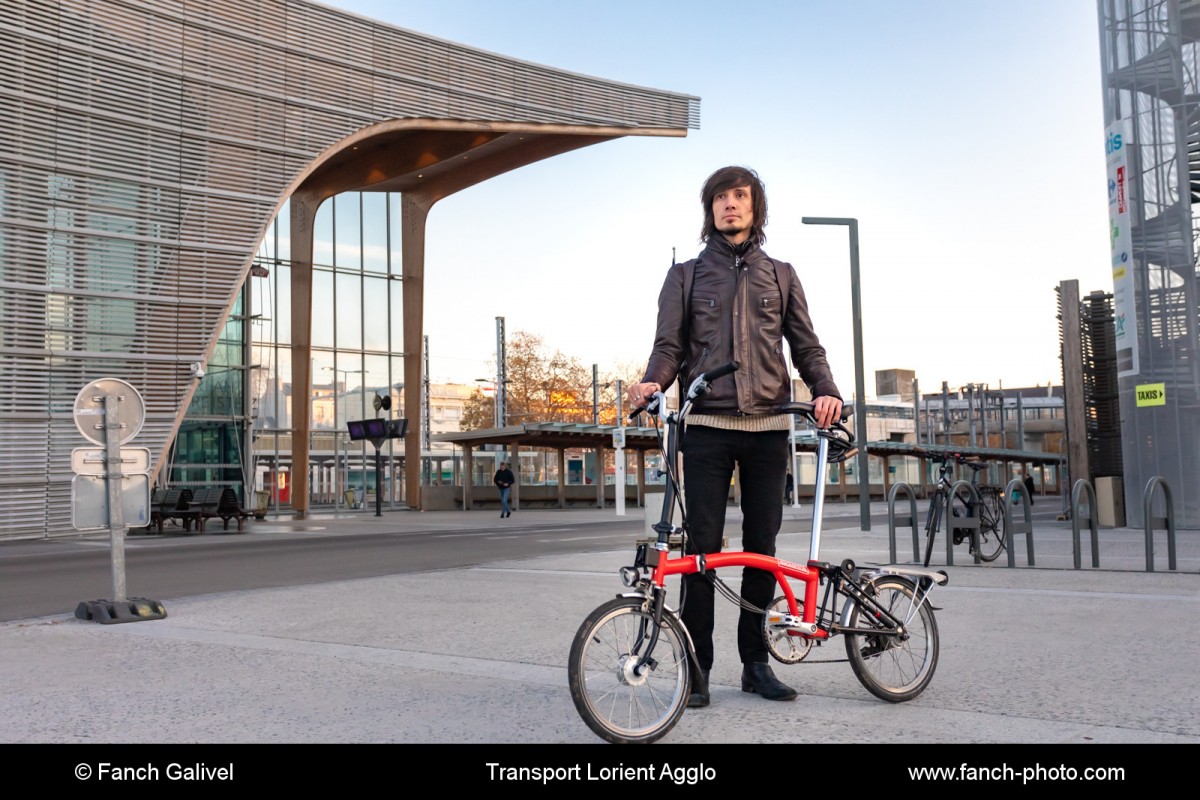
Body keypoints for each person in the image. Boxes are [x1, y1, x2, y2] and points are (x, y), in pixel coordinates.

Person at [626, 165, 843, 709]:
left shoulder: (783, 275)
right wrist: (654, 381)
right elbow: (669, 347)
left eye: (739, 196)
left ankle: (755, 664)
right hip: (705, 428)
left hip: (769, 427)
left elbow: (806, 347)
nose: (730, 205)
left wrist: (826, 390)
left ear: (755, 208)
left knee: (760, 549)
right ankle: (696, 668)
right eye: (720, 197)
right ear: (710, 209)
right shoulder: (685, 276)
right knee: (700, 550)